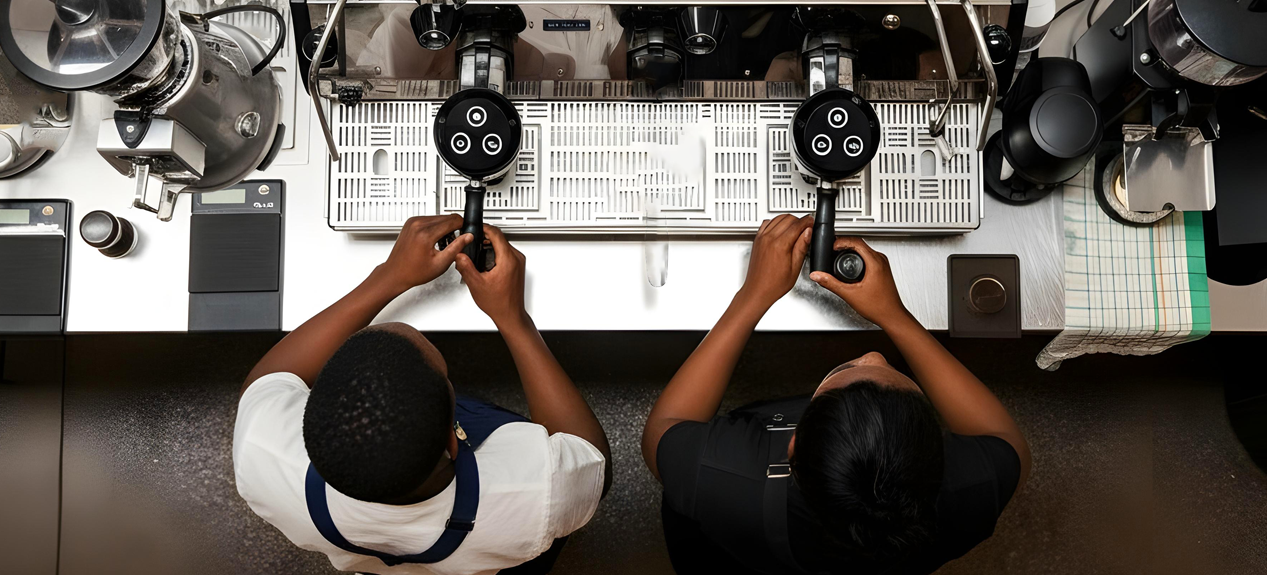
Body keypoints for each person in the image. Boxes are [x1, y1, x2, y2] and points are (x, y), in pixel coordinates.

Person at [642, 214, 1029, 575]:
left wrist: (755, 294)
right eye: (894, 376)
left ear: (793, 446)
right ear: (938, 455)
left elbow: (665, 428)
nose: (873, 355)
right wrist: (893, 315)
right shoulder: (969, 494)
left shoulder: (723, 475)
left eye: (849, 370)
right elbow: (1010, 445)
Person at [233, 215, 611, 575]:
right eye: (445, 375)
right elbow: (592, 461)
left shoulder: (263, 455)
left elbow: (269, 379)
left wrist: (388, 277)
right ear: (454, 437)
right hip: (502, 549)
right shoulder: (538, 494)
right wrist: (513, 320)